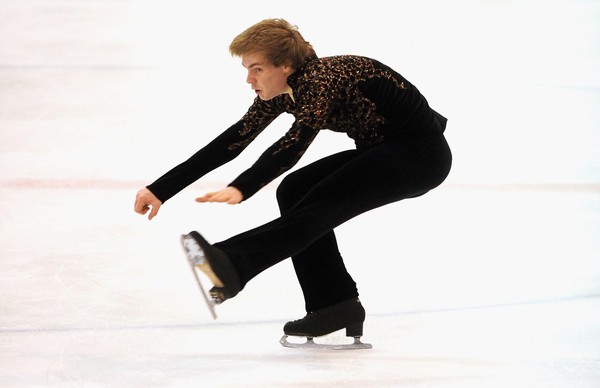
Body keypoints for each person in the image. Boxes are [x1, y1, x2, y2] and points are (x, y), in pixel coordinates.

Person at [134, 18, 452, 342]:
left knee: (321, 203)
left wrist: (243, 185)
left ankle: (232, 263)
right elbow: (234, 140)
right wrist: (161, 189)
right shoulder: (286, 90)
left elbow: (293, 145)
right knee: (296, 190)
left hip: (419, 156)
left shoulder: (319, 80)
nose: (248, 79)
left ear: (285, 65)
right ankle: (334, 304)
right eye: (246, 69)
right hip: (388, 150)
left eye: (256, 69)